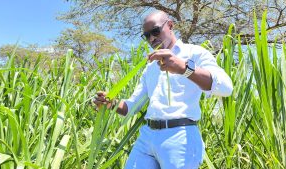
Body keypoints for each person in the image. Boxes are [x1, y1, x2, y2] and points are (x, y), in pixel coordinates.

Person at [93, 10, 233, 169]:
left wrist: (183, 68)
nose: (152, 38)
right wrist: (110, 103)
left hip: (180, 136)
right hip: (147, 136)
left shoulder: (194, 53)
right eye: (146, 35)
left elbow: (226, 88)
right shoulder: (150, 67)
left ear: (170, 25)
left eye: (155, 31)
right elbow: (132, 106)